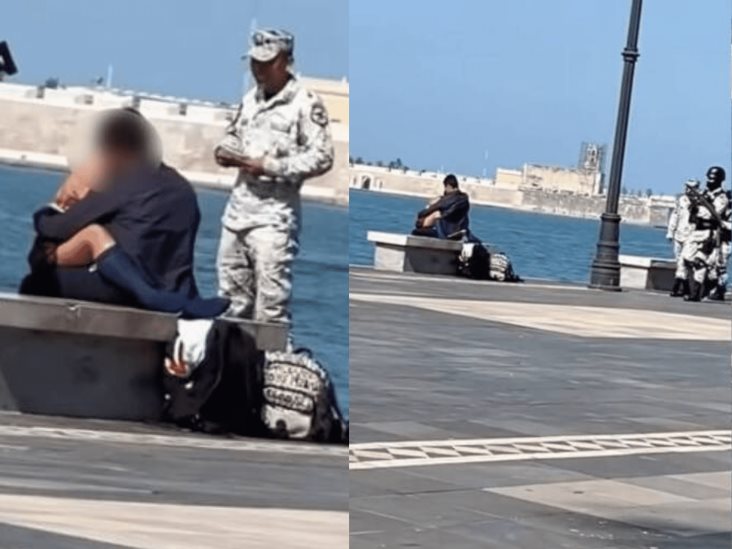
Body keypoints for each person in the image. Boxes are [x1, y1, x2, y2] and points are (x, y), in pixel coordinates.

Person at [20, 108, 229, 318]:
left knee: (36, 282)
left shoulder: (123, 182)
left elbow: (57, 227)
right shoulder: (181, 186)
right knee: (85, 238)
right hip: (176, 288)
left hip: (125, 289)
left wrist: (52, 206)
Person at [214, 29, 334, 327]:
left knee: (270, 307)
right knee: (230, 302)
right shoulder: (250, 100)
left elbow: (322, 157)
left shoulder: (305, 104)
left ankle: (272, 366)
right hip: (237, 214)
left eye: (266, 63)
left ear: (285, 62)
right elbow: (233, 135)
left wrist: (269, 166)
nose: (258, 70)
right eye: (254, 62)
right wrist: (226, 151)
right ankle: (231, 368)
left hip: (274, 219)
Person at [681, 166, 729, 302]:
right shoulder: (704, 193)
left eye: (712, 179)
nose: (709, 181)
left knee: (699, 260)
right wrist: (694, 204)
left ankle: (696, 293)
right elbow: (692, 211)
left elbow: (711, 214)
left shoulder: (721, 198)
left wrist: (701, 207)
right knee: (686, 257)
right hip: (696, 230)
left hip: (709, 232)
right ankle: (708, 283)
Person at [667, 179, 699, 297]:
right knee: (678, 260)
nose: (688, 189)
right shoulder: (681, 200)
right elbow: (675, 216)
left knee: (684, 261)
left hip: (691, 236)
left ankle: (676, 287)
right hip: (679, 235)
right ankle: (685, 288)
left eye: (691, 187)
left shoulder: (699, 202)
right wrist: (670, 232)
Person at [412, 174, 471, 239]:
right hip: (459, 229)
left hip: (446, 232)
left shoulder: (448, 199)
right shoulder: (464, 198)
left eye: (445, 188)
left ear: (448, 186)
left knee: (416, 231)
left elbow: (432, 209)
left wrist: (420, 216)